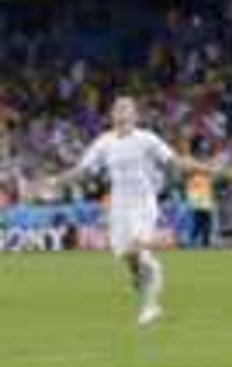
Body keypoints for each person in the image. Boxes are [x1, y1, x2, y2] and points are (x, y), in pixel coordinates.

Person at [47, 96, 216, 325]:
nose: (121, 113)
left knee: (139, 249)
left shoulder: (146, 139)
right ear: (111, 115)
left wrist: (205, 168)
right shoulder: (104, 142)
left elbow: (174, 161)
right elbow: (83, 169)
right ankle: (138, 274)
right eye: (117, 109)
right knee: (128, 256)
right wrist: (57, 180)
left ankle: (151, 306)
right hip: (119, 207)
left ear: (135, 115)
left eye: (126, 109)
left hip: (143, 203)